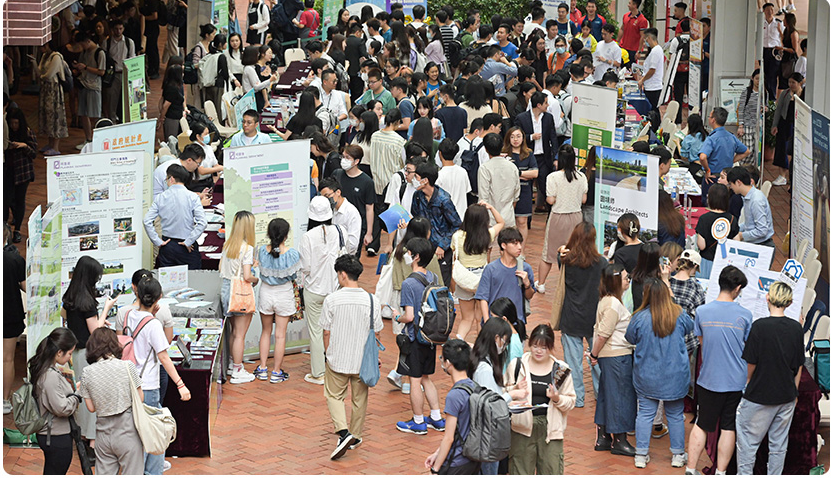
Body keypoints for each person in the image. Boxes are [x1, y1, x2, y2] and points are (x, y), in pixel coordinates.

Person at [684, 265, 751, 475]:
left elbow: (702, 342)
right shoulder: (745, 315)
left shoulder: (702, 312)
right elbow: (747, 345)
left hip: (709, 379)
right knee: (728, 426)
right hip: (736, 381)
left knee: (702, 423)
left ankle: (690, 468)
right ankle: (721, 472)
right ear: (737, 288)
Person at [735, 281, 804, 475]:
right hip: (786, 395)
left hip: (759, 395)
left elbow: (751, 363)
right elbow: (798, 365)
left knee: (747, 444)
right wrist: (795, 391)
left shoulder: (759, 327)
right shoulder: (796, 329)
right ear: (789, 303)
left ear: (768, 298)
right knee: (779, 445)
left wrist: (748, 383)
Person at [625, 278, 694, 469]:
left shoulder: (639, 317)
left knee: (645, 414)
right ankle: (678, 454)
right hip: (675, 375)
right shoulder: (678, 314)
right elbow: (690, 328)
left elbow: (630, 337)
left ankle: (641, 454)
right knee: (675, 414)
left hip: (647, 375)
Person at [125, 275, 191, 474]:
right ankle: (150, 472)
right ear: (158, 298)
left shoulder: (130, 316)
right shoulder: (153, 324)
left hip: (132, 381)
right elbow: (163, 357)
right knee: (154, 432)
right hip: (148, 385)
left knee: (139, 431)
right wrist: (181, 384)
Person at [320, 254, 382, 459]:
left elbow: (326, 331)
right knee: (360, 399)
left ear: (343, 274)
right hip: (362, 360)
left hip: (337, 356)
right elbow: (378, 331)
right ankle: (355, 436)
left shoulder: (332, 299)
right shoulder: (372, 300)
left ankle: (342, 431)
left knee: (334, 395)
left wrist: (327, 352)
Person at [61, 256, 118, 453]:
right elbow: (95, 331)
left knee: (81, 393)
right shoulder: (88, 302)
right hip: (88, 353)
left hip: (75, 353)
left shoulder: (70, 296)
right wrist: (104, 313)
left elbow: (64, 316)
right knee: (93, 397)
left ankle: (83, 435)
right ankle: (93, 442)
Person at [505, 324, 576, 474]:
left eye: (544, 347)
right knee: (519, 471)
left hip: (550, 429)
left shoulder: (560, 370)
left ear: (550, 347)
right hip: (522, 428)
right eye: (535, 345)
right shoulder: (517, 366)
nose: (538, 351)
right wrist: (515, 390)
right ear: (530, 344)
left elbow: (570, 401)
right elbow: (504, 395)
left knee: (552, 470)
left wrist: (557, 398)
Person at [394, 237, 446, 435]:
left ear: (416, 257)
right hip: (431, 336)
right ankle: (436, 417)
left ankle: (418, 421)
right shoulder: (433, 277)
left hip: (415, 337)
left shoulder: (408, 284)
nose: (407, 255)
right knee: (426, 378)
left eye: (409, 253)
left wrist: (396, 316)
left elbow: (408, 316)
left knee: (415, 379)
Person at [77, 328, 144, 475]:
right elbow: (140, 398)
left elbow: (91, 408)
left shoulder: (87, 372)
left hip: (103, 434)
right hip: (128, 432)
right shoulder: (127, 366)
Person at [556, 221, 606, 408]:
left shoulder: (565, 261)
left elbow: (560, 251)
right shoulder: (601, 263)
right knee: (598, 360)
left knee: (572, 362)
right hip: (595, 318)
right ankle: (601, 395)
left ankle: (577, 398)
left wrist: (562, 248)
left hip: (571, 316)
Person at [588, 263, 637, 456]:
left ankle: (603, 437)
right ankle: (619, 439)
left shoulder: (607, 300)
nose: (628, 280)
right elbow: (603, 334)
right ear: (616, 281)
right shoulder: (614, 304)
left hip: (611, 355)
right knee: (620, 397)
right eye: (625, 278)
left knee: (607, 395)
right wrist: (594, 354)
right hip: (617, 356)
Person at [469, 317, 528, 475]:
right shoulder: (484, 369)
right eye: (505, 341)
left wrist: (511, 389)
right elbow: (491, 404)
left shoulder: (484, 362)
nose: (505, 345)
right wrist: (512, 394)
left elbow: (490, 393)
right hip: (487, 436)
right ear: (497, 338)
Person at [28, 328, 81, 475]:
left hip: (51, 434)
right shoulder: (50, 375)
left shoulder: (44, 368)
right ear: (59, 352)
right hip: (56, 436)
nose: (70, 357)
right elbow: (61, 408)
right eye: (69, 353)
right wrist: (76, 397)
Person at [254, 218, 300, 383]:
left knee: (265, 332)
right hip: (284, 293)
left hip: (266, 292)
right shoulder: (292, 254)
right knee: (280, 335)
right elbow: (295, 276)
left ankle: (262, 368)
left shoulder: (261, 251)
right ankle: (276, 372)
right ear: (286, 236)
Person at [424, 339, 480, 474]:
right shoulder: (475, 387)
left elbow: (449, 438)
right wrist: (437, 453)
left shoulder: (454, 396)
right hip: (473, 459)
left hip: (457, 461)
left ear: (448, 363)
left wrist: (436, 468)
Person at [537, 144, 586, 293]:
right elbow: (583, 199)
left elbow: (550, 200)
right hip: (577, 218)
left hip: (558, 217)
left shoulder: (553, 177)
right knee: (575, 252)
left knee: (549, 253)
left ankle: (541, 284)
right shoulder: (581, 176)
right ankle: (574, 283)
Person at [219, 211, 260, 384]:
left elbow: (221, 268)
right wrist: (255, 278)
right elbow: (246, 276)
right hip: (240, 292)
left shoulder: (228, 245)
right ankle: (237, 369)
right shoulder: (248, 248)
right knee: (240, 334)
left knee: (234, 331)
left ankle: (231, 365)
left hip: (226, 290)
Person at [143, 164, 207, 270]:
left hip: (167, 245)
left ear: (171, 179)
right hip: (187, 245)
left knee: (168, 282)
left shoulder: (160, 197)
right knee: (193, 280)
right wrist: (189, 241)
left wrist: (157, 241)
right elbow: (203, 223)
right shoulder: (193, 197)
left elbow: (146, 221)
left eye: (166, 178)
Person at [411, 161, 462, 287]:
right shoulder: (417, 196)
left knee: (441, 284)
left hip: (441, 251)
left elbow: (457, 225)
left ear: (425, 180)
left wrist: (443, 245)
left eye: (416, 177)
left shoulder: (443, 200)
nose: (414, 180)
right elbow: (415, 215)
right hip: (423, 247)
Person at [475, 227, 536, 325]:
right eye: (515, 244)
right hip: (496, 322)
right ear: (503, 245)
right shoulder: (491, 269)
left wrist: (527, 285)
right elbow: (483, 298)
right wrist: (487, 322)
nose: (519, 247)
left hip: (517, 322)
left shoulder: (525, 268)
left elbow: (529, 296)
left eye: (520, 243)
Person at [333, 145, 376, 257]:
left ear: (356, 161)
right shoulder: (337, 174)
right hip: (336, 223)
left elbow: (369, 208)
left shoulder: (367, 182)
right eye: (343, 156)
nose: (344, 160)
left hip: (356, 227)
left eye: (348, 158)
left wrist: (369, 233)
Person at [698, 107, 750, 198]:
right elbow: (746, 151)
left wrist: (707, 170)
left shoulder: (712, 138)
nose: (709, 119)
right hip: (726, 178)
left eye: (709, 117)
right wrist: (731, 160)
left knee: (708, 202)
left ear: (713, 120)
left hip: (712, 178)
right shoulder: (731, 136)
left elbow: (702, 157)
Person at [3, 107, 36, 242]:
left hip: (23, 173)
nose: (14, 126)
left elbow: (34, 153)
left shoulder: (28, 133)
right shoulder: (6, 132)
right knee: (6, 200)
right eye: (12, 123)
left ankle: (17, 230)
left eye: (16, 123)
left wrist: (24, 146)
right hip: (9, 171)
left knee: (20, 200)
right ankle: (4, 228)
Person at [478, 132, 521, 232]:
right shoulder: (512, 166)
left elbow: (483, 198)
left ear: (486, 149)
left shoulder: (485, 168)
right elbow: (516, 195)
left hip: (491, 221)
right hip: (508, 217)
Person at [695, 184, 739, 278]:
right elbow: (737, 242)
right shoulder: (732, 219)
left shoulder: (704, 218)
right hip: (725, 263)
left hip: (707, 262)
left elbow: (701, 245)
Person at [502, 127, 538, 242]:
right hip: (507, 193)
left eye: (518, 136)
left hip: (525, 191)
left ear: (523, 138)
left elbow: (535, 173)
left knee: (522, 222)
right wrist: (523, 175)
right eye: (512, 137)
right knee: (507, 223)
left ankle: (521, 252)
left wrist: (519, 173)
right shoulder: (504, 154)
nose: (515, 139)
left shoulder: (528, 154)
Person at [727, 166, 775, 251]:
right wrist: (734, 229)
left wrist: (741, 235)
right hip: (755, 244)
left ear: (738, 182)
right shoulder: (747, 197)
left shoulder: (756, 200)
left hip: (762, 247)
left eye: (731, 184)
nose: (730, 187)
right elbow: (748, 224)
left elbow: (762, 230)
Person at [71, 32, 106, 149]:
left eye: (82, 44)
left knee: (95, 115)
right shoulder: (84, 52)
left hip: (94, 87)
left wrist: (85, 67)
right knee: (83, 114)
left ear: (88, 41)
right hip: (83, 84)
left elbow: (101, 71)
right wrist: (78, 68)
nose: (81, 47)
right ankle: (88, 139)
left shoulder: (99, 53)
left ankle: (99, 140)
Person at [3, 226, 24, 413]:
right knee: (7, 359)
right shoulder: (15, 259)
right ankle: (4, 400)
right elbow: (27, 287)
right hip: (10, 314)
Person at [771, 72, 804, 186]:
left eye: (793, 83)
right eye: (789, 82)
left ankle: (794, 176)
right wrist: (775, 125)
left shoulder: (804, 95)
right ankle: (782, 175)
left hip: (797, 126)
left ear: (799, 83)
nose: (791, 85)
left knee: (795, 150)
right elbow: (778, 110)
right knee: (781, 149)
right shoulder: (785, 93)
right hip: (784, 124)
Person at [37, 41, 68, 156]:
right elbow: (40, 71)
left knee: (55, 117)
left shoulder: (56, 56)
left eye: (42, 46)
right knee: (47, 117)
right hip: (46, 89)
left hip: (54, 90)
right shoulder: (45, 56)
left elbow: (48, 75)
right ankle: (50, 144)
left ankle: (55, 147)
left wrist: (42, 76)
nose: (40, 49)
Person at [101, 20, 136, 123]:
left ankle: (125, 121)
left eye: (120, 29)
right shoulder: (106, 43)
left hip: (125, 74)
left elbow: (132, 59)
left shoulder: (129, 42)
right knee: (112, 99)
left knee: (127, 100)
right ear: (112, 30)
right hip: (113, 75)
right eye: (116, 29)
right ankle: (112, 121)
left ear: (123, 29)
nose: (118, 31)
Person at [370, 108, 408, 197]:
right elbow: (403, 162)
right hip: (392, 185)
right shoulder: (399, 140)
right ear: (398, 122)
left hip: (377, 183)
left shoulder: (374, 136)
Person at [319, 177, 362, 256]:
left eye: (327, 196)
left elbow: (353, 244)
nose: (326, 200)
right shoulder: (330, 210)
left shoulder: (351, 212)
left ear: (338, 192)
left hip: (345, 258)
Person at [435, 139, 471, 221]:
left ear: (440, 153)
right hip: (462, 217)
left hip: (446, 219)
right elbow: (467, 191)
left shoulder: (439, 175)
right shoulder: (463, 172)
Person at [636, 28, 664, 116]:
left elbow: (652, 70)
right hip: (650, 86)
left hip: (653, 87)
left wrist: (642, 80)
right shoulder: (654, 51)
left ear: (649, 39)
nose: (644, 43)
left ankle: (655, 127)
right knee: (653, 111)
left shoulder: (656, 51)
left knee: (654, 112)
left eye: (645, 40)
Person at [736, 69, 760, 166]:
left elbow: (767, 107)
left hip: (759, 127)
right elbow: (741, 109)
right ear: (752, 78)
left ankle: (752, 171)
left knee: (757, 151)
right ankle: (742, 168)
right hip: (747, 126)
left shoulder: (765, 93)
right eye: (757, 79)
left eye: (761, 79)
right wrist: (741, 125)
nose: (759, 81)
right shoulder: (747, 92)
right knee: (747, 150)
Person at [191, 123, 223, 187]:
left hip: (209, 180)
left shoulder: (208, 148)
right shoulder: (194, 149)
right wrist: (219, 168)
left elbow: (215, 164)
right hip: (198, 183)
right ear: (198, 136)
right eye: (205, 134)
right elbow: (201, 171)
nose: (208, 136)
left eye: (208, 133)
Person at [618, 0, 649, 68]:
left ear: (635, 5)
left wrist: (639, 51)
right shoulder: (625, 16)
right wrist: (617, 41)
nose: (628, 5)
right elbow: (622, 29)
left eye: (630, 3)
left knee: (631, 69)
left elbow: (642, 36)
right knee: (620, 68)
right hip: (623, 47)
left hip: (633, 50)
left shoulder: (642, 20)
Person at [160, 63, 187, 139]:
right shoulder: (172, 88)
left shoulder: (176, 86)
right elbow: (165, 106)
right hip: (172, 118)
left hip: (177, 117)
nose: (183, 74)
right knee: (171, 139)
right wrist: (161, 118)